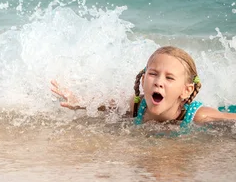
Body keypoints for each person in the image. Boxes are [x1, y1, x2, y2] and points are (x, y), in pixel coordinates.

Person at [51, 46, 236, 127]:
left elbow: (230, 119)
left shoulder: (198, 116)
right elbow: (105, 105)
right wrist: (79, 102)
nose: (158, 81)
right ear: (143, 79)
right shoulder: (137, 106)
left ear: (186, 90)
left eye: (169, 78)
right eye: (153, 74)